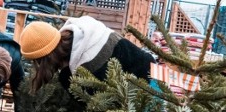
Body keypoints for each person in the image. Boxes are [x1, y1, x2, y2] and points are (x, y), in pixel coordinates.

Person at [19, 17, 155, 93]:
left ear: (42, 59)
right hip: (157, 73)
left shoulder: (70, 77)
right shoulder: (85, 27)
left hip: (145, 99)